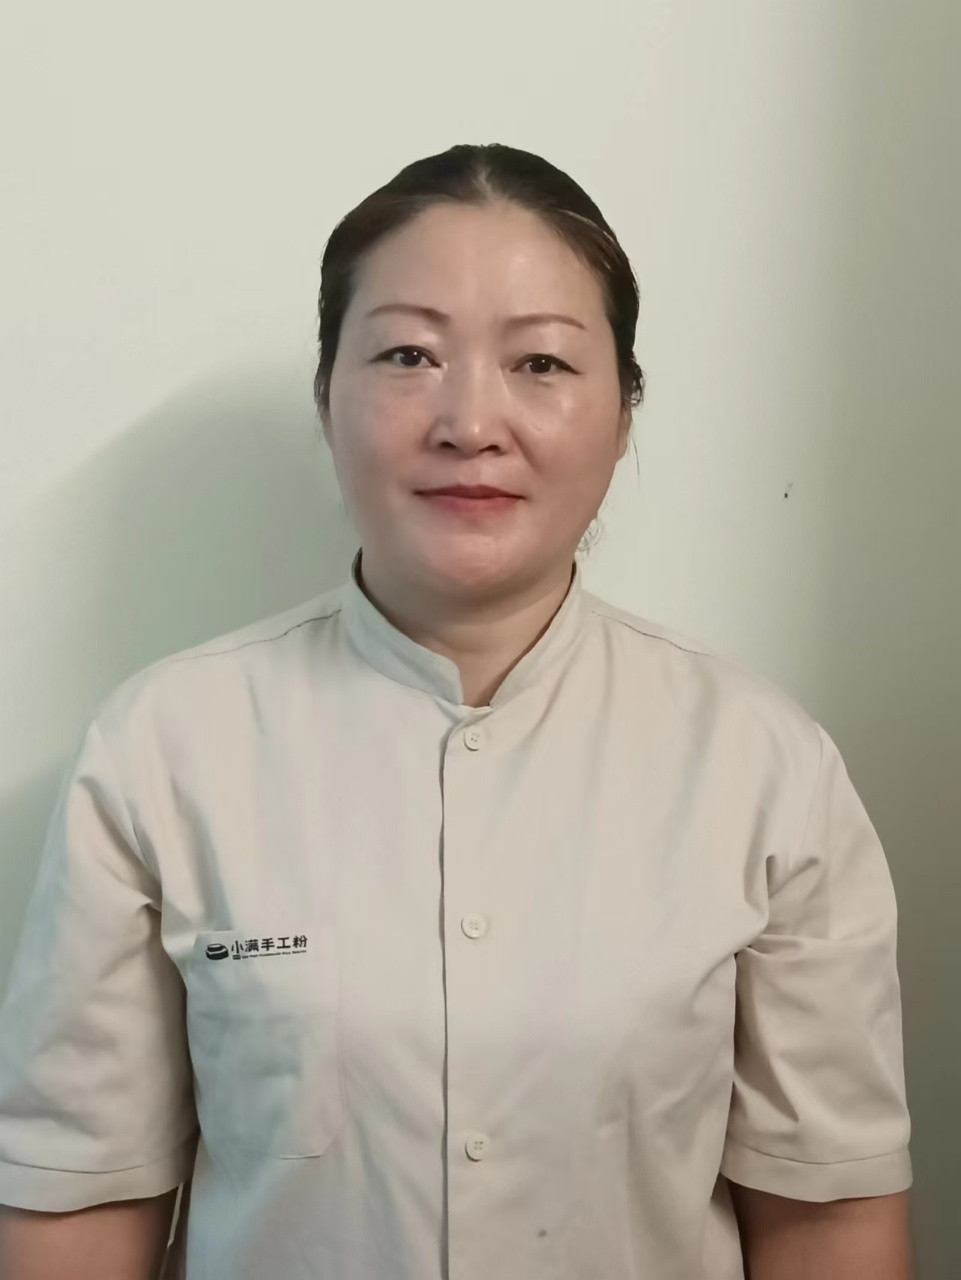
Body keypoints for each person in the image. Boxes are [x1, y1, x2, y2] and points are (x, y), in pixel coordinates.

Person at [0, 142, 914, 1279]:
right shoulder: (163, 749)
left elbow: (827, 1213)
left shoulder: (760, 763)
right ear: (326, 395)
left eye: (540, 362)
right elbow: (79, 1203)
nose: (471, 421)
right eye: (408, 354)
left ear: (623, 413)